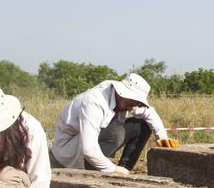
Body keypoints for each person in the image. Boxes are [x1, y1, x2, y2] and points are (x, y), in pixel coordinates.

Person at [50, 73, 180, 174]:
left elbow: (149, 113)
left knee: (143, 126)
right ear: (121, 93)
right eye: (131, 102)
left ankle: (124, 169)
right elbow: (88, 148)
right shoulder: (93, 103)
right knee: (116, 132)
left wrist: (162, 137)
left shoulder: (125, 101)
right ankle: (94, 172)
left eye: (136, 103)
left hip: (88, 145)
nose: (133, 106)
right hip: (68, 153)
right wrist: (112, 169)